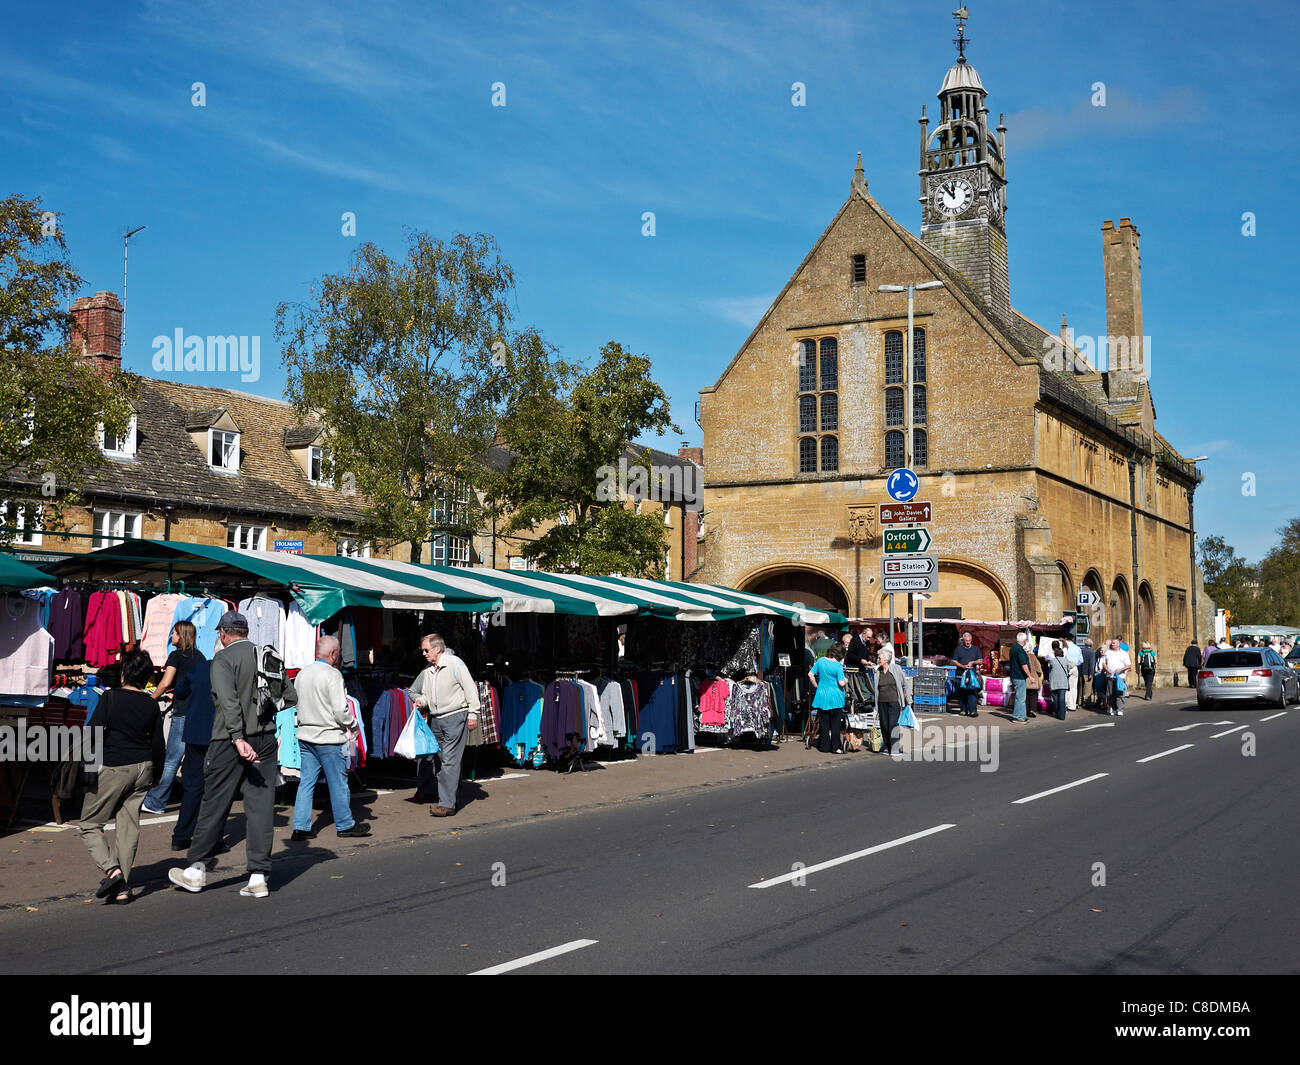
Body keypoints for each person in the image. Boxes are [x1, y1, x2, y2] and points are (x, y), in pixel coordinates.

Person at [169, 611, 286, 898]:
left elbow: (228, 701)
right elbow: (288, 696)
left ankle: (196, 869)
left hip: (229, 740)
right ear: (245, 631)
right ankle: (258, 875)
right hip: (266, 736)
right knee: (260, 807)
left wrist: (237, 737)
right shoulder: (265, 654)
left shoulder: (222, 659)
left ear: (223, 633)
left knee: (215, 803)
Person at [78, 650, 164, 905]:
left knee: (89, 824)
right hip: (144, 768)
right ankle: (123, 888)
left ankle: (112, 871)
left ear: (123, 673)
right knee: (128, 827)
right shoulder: (151, 703)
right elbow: (158, 744)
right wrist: (157, 774)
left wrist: (88, 768)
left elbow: (91, 733)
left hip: (116, 765)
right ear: (147, 677)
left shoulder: (111, 697)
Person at [291, 636, 370, 840]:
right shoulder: (332, 675)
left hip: (306, 735)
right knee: (338, 783)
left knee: (306, 783)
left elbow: (296, 704)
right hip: (327, 737)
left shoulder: (302, 674)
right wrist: (353, 725)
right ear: (333, 654)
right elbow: (339, 710)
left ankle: (300, 827)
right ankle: (345, 825)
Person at [409, 633, 480, 817]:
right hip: (435, 719)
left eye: (426, 650)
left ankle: (447, 804)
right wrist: (421, 701)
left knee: (449, 760)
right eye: (423, 650)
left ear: (437, 649)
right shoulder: (428, 670)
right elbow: (420, 693)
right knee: (442, 761)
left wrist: (473, 714)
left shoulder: (455, 664)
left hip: (455, 716)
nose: (424, 653)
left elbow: (470, 689)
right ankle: (450, 796)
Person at [141, 621, 203, 815]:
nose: (171, 637)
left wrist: (151, 699)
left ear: (181, 636)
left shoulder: (176, 656)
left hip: (183, 712)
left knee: (172, 758)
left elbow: (165, 682)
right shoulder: (200, 657)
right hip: (196, 712)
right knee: (192, 759)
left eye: (174, 634)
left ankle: (156, 802)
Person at [170, 652, 214, 852]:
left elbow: (179, 691)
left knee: (192, 787)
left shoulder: (201, 668)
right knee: (216, 789)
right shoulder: (231, 668)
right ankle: (211, 838)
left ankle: (181, 836)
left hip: (196, 732)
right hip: (219, 735)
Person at [809, 642, 847, 753]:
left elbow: (810, 674)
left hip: (822, 696)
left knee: (824, 723)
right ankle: (836, 747)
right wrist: (846, 680)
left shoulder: (820, 661)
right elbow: (841, 683)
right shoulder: (838, 666)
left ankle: (824, 746)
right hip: (835, 697)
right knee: (835, 724)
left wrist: (816, 685)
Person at [875, 647, 912, 754]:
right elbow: (876, 689)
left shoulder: (896, 669)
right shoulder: (878, 671)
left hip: (894, 701)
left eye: (880, 658)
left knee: (893, 724)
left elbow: (905, 685)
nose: (878, 659)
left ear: (886, 659)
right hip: (882, 702)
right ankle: (886, 746)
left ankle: (895, 747)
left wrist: (909, 698)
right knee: (884, 725)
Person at [951, 631, 982, 717]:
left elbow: (981, 660)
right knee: (961, 693)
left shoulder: (976, 649)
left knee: (972, 693)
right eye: (966, 640)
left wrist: (973, 662)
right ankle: (963, 710)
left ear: (971, 640)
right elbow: (954, 661)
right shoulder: (958, 649)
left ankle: (973, 711)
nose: (968, 642)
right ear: (963, 640)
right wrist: (962, 666)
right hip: (960, 674)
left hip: (971, 675)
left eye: (969, 640)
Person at [1103, 638, 1132, 717]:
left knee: (1119, 693)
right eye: (1112, 643)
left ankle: (1120, 709)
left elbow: (1129, 665)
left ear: (1118, 644)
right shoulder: (1108, 653)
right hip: (1110, 676)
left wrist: (1121, 669)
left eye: (1114, 643)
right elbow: (1104, 663)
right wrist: (1107, 669)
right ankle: (1112, 708)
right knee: (1110, 694)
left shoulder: (1124, 653)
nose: (1112, 644)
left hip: (1120, 677)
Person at [1045, 640, 1070, 720]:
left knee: (1055, 698)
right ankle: (1062, 715)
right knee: (1062, 698)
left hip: (1054, 682)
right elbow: (1068, 670)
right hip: (1063, 682)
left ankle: (1056, 712)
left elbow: (1050, 668)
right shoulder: (1066, 661)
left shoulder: (1052, 661)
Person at [1008, 632, 1031, 722]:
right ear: (1024, 641)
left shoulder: (1013, 648)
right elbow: (1023, 664)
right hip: (1019, 676)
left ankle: (1022, 715)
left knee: (1020, 697)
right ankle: (1018, 716)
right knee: (1020, 698)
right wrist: (1030, 675)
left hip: (1015, 675)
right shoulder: (1020, 650)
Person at [1061, 633, 1083, 711]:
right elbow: (1081, 661)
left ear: (1065, 639)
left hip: (1066, 667)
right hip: (1075, 667)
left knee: (1066, 687)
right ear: (1073, 639)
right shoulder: (1078, 648)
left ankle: (1067, 704)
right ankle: (1073, 705)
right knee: (1074, 687)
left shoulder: (1063, 647)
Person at [1025, 637, 1043, 719]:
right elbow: (1038, 667)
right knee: (1033, 695)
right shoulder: (1033, 656)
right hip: (1033, 679)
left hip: (1025, 679)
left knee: (1026, 695)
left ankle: (1026, 710)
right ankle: (1032, 710)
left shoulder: (1023, 656)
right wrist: (1039, 673)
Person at [1078, 637, 1096, 709]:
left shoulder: (1081, 650)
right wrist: (1091, 673)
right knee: (1088, 688)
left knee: (1080, 687)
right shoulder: (1091, 652)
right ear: (1091, 645)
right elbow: (1091, 664)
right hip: (1087, 672)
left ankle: (1079, 702)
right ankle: (1087, 703)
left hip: (1080, 671)